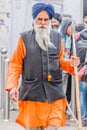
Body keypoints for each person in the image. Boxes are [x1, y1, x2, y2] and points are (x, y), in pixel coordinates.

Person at [6, 3, 80, 130]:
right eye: (39, 19)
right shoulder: (24, 39)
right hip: (32, 96)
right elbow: (15, 64)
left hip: (54, 95)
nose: (43, 23)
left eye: (46, 20)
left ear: (50, 21)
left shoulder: (57, 38)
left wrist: (71, 64)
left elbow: (60, 61)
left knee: (53, 127)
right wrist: (12, 86)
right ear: (34, 20)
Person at [59, 18, 73, 104]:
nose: (71, 30)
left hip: (67, 69)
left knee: (65, 91)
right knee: (61, 91)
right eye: (70, 27)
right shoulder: (60, 38)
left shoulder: (70, 39)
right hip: (60, 70)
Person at [76, 30, 87, 127]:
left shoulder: (78, 43)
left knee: (83, 96)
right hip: (84, 73)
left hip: (82, 74)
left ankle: (84, 118)